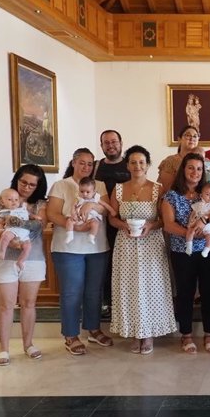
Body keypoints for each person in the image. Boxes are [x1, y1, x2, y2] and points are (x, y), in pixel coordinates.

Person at [109, 145, 177, 355]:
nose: (137, 166)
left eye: (141, 162)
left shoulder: (158, 189)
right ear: (127, 165)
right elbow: (112, 217)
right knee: (129, 287)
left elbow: (163, 219)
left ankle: (148, 333)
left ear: (147, 165)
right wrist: (124, 226)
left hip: (151, 244)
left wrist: (151, 226)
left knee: (151, 287)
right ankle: (133, 331)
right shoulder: (118, 189)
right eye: (133, 162)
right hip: (126, 244)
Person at [47, 148, 114, 355]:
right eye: (82, 163)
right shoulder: (61, 185)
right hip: (68, 248)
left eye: (90, 164)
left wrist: (92, 204)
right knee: (71, 292)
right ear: (74, 163)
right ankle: (71, 334)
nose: (86, 167)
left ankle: (93, 329)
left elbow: (107, 207)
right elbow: (52, 213)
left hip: (97, 247)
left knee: (94, 292)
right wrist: (76, 227)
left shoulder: (99, 185)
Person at [0, 165, 48, 366]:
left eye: (32, 184)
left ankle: (28, 344)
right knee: (6, 305)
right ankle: (4, 348)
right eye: (23, 182)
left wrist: (20, 230)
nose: (27, 187)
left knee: (29, 303)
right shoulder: (1, 199)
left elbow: (39, 226)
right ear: (16, 180)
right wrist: (9, 241)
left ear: (38, 186)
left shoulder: (39, 204)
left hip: (32, 257)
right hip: (2, 258)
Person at [162, 153, 210, 354]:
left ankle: (209, 333)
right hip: (183, 251)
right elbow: (168, 225)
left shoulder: (208, 191)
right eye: (191, 168)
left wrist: (205, 225)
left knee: (209, 291)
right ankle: (187, 335)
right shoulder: (171, 195)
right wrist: (190, 233)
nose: (195, 172)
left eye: (199, 169)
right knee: (185, 293)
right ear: (183, 170)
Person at [94, 129, 130, 318]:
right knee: (104, 264)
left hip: (124, 224)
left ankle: (123, 302)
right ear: (101, 146)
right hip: (99, 225)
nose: (110, 145)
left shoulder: (130, 165)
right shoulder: (94, 167)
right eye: (106, 142)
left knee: (124, 265)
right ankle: (106, 302)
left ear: (121, 143)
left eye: (114, 141)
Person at [65, 177, 117, 245]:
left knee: (95, 223)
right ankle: (70, 235)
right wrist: (73, 214)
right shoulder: (78, 198)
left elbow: (105, 205)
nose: (84, 194)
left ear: (94, 192)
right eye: (82, 191)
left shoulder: (96, 198)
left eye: (88, 192)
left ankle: (91, 236)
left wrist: (112, 211)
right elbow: (73, 206)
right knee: (69, 221)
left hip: (91, 218)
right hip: (79, 217)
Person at [0, 188, 33, 270]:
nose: (14, 202)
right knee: (5, 236)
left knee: (28, 247)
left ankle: (21, 261)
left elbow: (30, 216)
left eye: (16, 199)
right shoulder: (5, 211)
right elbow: (0, 223)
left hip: (24, 233)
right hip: (12, 230)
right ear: (2, 202)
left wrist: (36, 217)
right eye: (10, 199)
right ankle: (2, 252)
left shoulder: (23, 209)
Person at [158, 125, 200, 195]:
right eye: (188, 135)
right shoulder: (170, 161)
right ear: (179, 139)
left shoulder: (205, 161)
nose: (192, 138)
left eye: (195, 136)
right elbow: (168, 189)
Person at [186, 182, 210, 258]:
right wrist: (190, 221)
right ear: (201, 195)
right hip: (197, 225)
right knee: (190, 231)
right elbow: (193, 213)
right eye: (207, 194)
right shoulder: (198, 204)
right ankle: (189, 246)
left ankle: (206, 250)